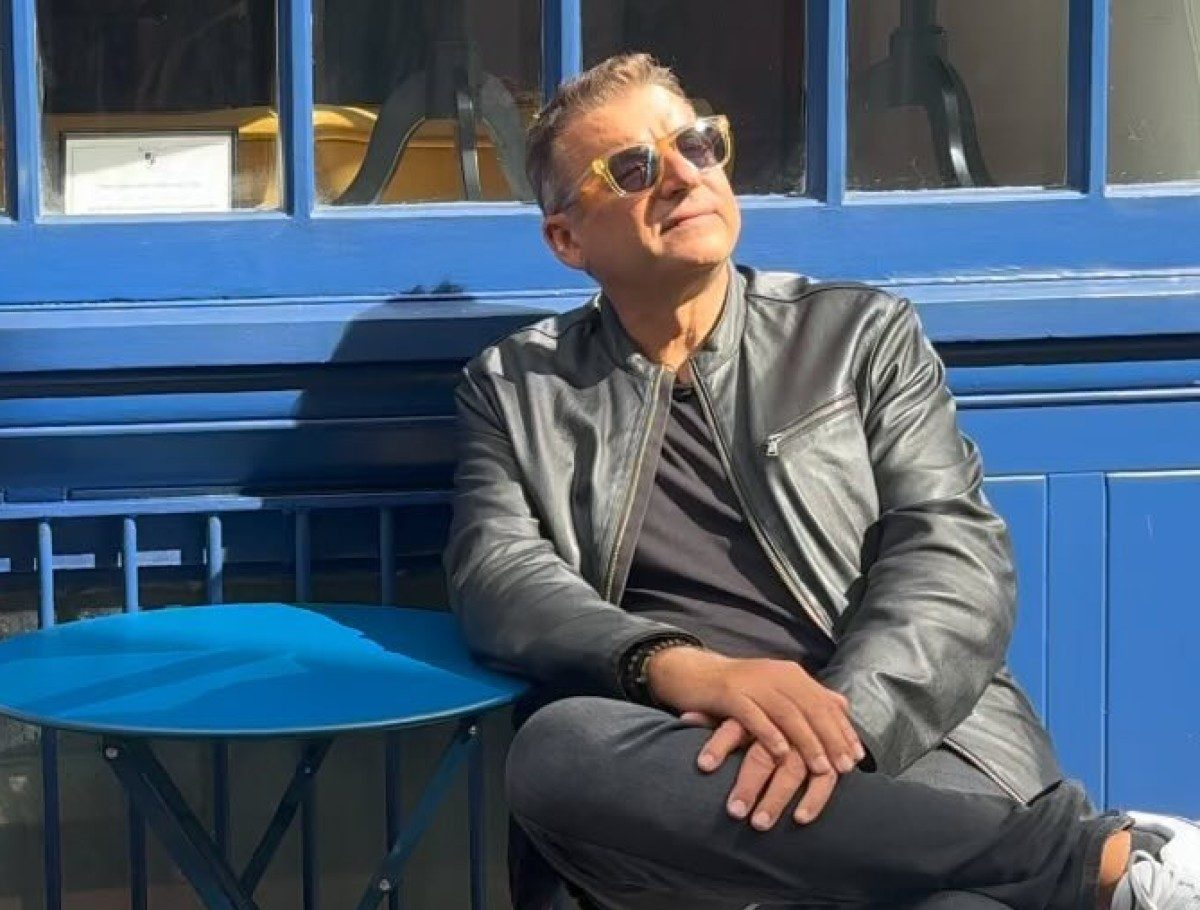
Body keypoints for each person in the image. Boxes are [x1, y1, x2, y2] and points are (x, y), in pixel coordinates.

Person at [443, 53, 1200, 910]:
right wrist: (685, 670)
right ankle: (1101, 865)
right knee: (557, 752)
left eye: (696, 145)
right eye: (633, 169)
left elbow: (951, 560)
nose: (683, 176)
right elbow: (500, 576)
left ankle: (1068, 866)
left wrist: (843, 728)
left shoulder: (857, 336)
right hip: (689, 775)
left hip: (904, 745)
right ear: (567, 239)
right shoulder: (516, 388)